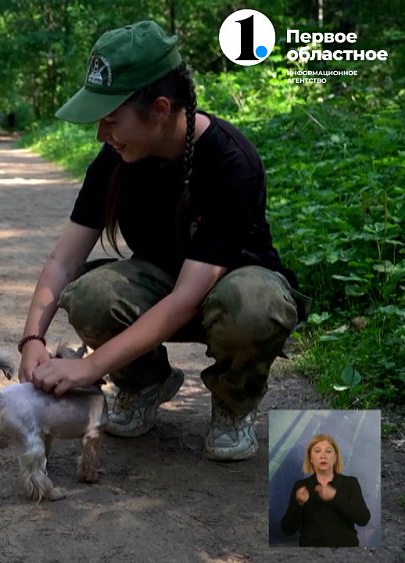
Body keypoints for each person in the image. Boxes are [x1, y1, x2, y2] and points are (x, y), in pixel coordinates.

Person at [17, 21, 309, 460]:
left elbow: (188, 298)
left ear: (159, 108)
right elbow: (63, 262)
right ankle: (144, 381)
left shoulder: (231, 161)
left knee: (254, 302)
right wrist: (32, 339)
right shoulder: (115, 159)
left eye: (111, 120)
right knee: (89, 294)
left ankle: (233, 403)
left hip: (228, 296)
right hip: (160, 290)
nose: (101, 134)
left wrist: (89, 368)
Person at [280, 434, 371, 546]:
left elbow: (363, 519)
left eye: (328, 451)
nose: (323, 456)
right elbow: (287, 530)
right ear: (310, 458)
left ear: (335, 457)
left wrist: (335, 496)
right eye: (317, 451)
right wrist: (299, 504)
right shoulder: (301, 486)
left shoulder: (350, 483)